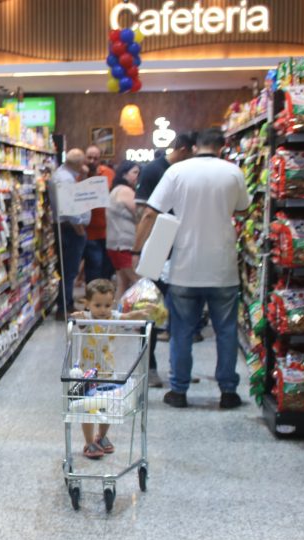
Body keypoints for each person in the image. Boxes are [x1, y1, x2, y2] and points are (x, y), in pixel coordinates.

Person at [134, 128, 251, 410]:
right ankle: (228, 392)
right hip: (222, 267)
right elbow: (243, 209)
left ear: (195, 146)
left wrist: (137, 249)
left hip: (184, 266)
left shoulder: (177, 172)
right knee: (226, 331)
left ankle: (179, 390)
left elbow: (150, 212)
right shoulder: (233, 172)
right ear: (221, 147)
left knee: (181, 332)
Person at [133, 131, 196, 389]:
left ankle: (178, 370)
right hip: (158, 246)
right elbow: (143, 213)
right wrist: (137, 250)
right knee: (150, 310)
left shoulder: (187, 172)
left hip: (182, 246)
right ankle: (149, 367)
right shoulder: (153, 170)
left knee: (181, 313)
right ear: (184, 149)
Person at [70, 279, 151, 458]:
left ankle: (102, 436)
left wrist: (139, 313)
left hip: (108, 372)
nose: (103, 310)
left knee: (108, 406)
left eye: (107, 305)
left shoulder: (113, 317)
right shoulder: (87, 318)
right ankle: (89, 442)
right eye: (97, 305)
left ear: (113, 303)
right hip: (87, 374)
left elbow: (127, 317)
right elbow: (80, 321)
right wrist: (78, 316)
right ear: (87, 304)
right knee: (88, 408)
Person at [54, 148, 89, 317]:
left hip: (68, 228)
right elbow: (69, 209)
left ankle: (66, 303)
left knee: (68, 270)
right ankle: (64, 306)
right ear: (78, 163)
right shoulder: (66, 179)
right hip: (70, 229)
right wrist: (79, 230)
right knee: (69, 271)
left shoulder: (64, 175)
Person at [105, 161, 141, 297]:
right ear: (124, 174)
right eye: (135, 172)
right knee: (140, 283)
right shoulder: (126, 191)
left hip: (115, 244)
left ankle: (119, 310)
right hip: (125, 244)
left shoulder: (115, 190)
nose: (138, 176)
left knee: (123, 284)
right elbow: (140, 214)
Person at [83, 145, 116, 283]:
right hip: (88, 229)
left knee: (107, 266)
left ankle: (104, 293)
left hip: (107, 229)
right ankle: (92, 294)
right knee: (94, 266)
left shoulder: (108, 173)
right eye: (89, 157)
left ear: (100, 159)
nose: (92, 161)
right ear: (85, 158)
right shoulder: (79, 174)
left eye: (95, 158)